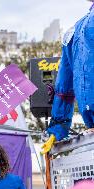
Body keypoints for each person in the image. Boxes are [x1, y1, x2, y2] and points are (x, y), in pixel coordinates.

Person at [41, 3, 94, 154]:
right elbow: (64, 87)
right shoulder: (74, 32)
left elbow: (64, 89)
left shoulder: (73, 32)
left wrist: (57, 128)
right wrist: (56, 129)